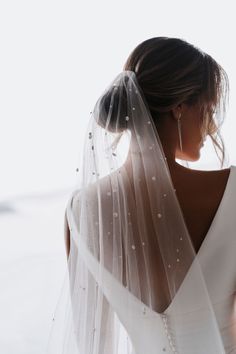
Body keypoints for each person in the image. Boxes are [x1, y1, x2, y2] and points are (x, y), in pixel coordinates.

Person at [48, 37, 236, 354]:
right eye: (208, 108)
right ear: (179, 107)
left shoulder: (80, 212)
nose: (210, 127)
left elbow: (92, 338)